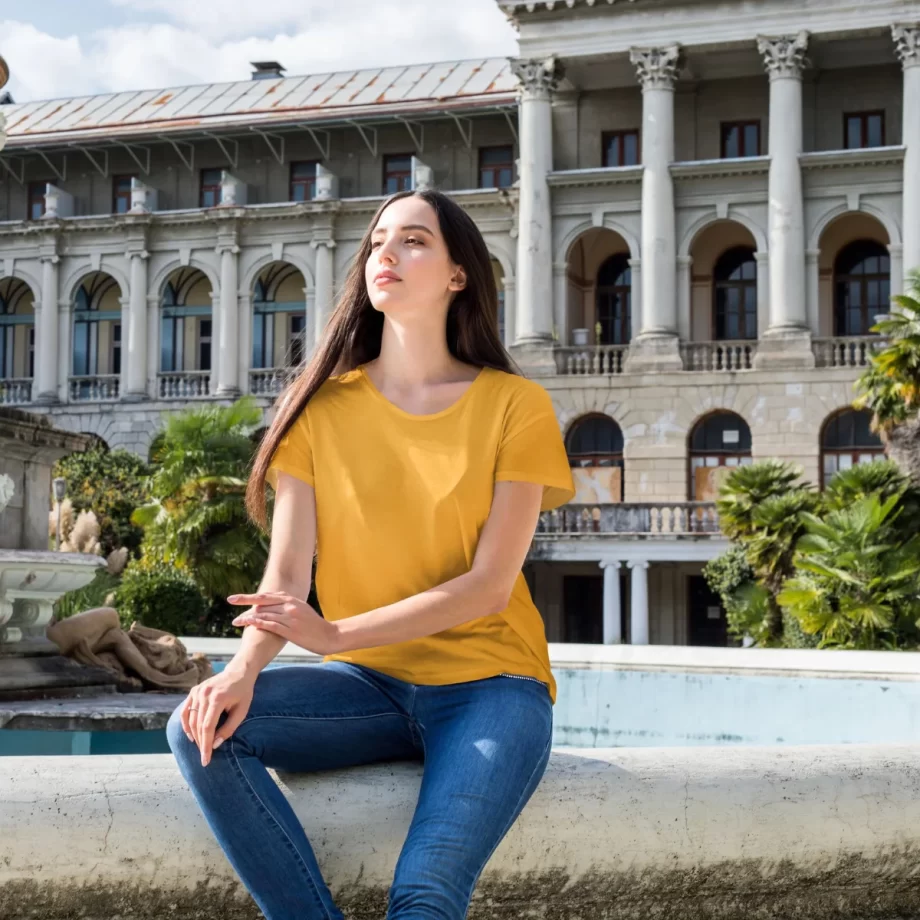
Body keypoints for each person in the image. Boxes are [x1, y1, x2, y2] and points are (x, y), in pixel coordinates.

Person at [166, 188, 575, 920]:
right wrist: (240, 671)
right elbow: (287, 576)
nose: (386, 252)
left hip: (493, 687)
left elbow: (487, 587)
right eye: (378, 241)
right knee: (201, 726)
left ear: (458, 275)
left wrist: (335, 636)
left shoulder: (515, 405)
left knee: (424, 893)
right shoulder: (319, 410)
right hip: (368, 689)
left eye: (414, 240)